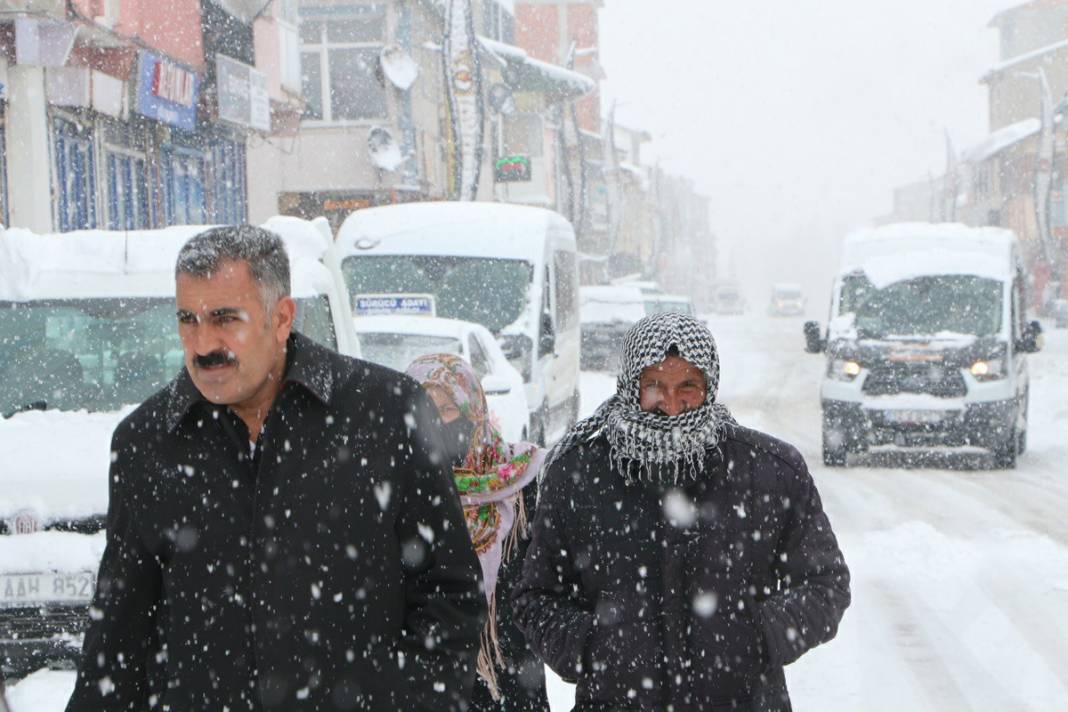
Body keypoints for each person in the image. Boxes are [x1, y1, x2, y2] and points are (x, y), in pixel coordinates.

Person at [65, 226, 485, 711]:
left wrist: (412, 700)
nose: (203, 344)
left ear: (282, 317)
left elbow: (450, 594)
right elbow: (118, 637)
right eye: (188, 319)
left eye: (225, 318)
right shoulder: (148, 443)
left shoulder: (386, 414)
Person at [512, 313, 850, 711]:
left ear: (709, 385)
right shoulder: (578, 472)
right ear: (630, 384)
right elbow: (535, 596)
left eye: (687, 384)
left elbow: (825, 584)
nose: (671, 403)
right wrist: (591, 647)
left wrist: (758, 635)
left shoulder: (771, 471)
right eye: (655, 384)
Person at [406, 353, 550, 711]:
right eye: (424, 409)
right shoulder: (398, 491)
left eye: (448, 408)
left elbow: (551, 582)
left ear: (473, 410)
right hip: (427, 682)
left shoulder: (523, 482)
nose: (436, 421)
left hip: (513, 678)